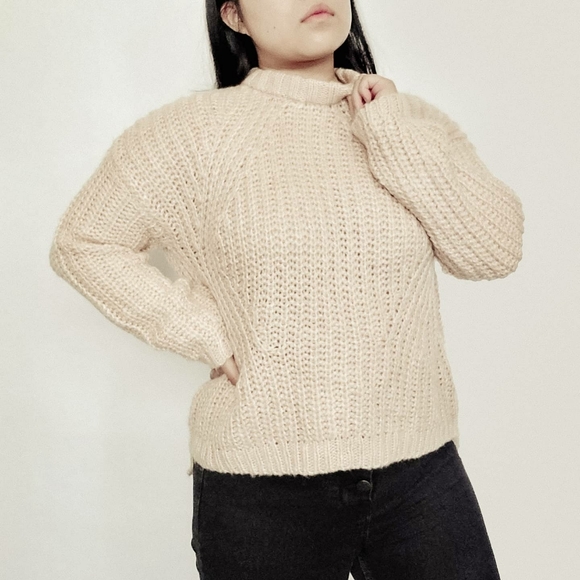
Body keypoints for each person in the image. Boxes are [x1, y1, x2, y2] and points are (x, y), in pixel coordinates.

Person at [49, 0, 524, 578]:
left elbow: (492, 251)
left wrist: (390, 132)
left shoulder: (411, 121)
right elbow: (85, 242)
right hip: (263, 489)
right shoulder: (188, 136)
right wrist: (205, 334)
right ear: (234, 16)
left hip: (420, 473)